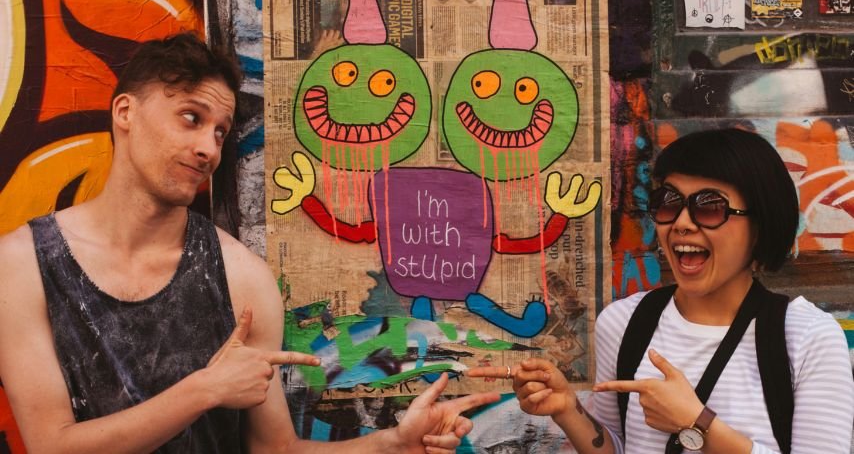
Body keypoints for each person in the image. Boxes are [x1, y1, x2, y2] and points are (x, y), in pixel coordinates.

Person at [0, 32, 498, 453]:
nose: (207, 148)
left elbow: (274, 450)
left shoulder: (240, 276)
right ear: (125, 112)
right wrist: (203, 389)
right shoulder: (22, 264)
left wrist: (390, 443)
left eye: (220, 133)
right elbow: (51, 445)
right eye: (191, 118)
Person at [468, 128, 854, 453]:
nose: (682, 223)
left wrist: (698, 423)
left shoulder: (806, 337)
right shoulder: (624, 322)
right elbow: (618, 447)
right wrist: (568, 409)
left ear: (759, 224)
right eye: (669, 203)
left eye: (709, 206)